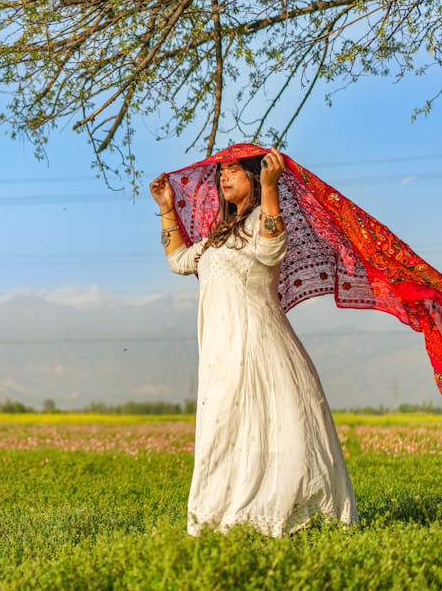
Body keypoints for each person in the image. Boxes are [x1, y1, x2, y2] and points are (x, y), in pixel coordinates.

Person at [150, 147, 357, 537]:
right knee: (225, 425)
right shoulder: (217, 236)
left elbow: (270, 249)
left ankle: (283, 511)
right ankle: (225, 515)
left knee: (276, 427)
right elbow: (178, 260)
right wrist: (165, 207)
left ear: (254, 175)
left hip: (260, 343)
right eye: (221, 172)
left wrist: (269, 189)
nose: (224, 177)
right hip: (221, 348)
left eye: (233, 171)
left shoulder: (264, 219)